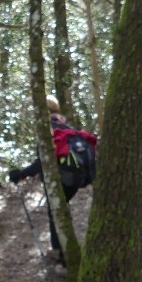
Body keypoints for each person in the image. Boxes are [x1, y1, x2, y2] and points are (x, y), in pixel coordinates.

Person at [8, 96, 96, 265]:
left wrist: (20, 174)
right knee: (57, 211)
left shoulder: (47, 128)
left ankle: (64, 257)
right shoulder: (64, 125)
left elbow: (43, 161)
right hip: (78, 178)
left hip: (65, 178)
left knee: (56, 212)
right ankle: (60, 251)